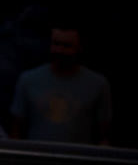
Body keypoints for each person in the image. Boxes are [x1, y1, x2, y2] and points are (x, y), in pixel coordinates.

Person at [7, 18, 113, 146]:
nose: (60, 50)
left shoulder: (98, 84)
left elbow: (103, 136)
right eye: (56, 44)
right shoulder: (28, 80)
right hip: (37, 158)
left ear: (79, 48)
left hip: (77, 160)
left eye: (66, 46)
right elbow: (16, 131)